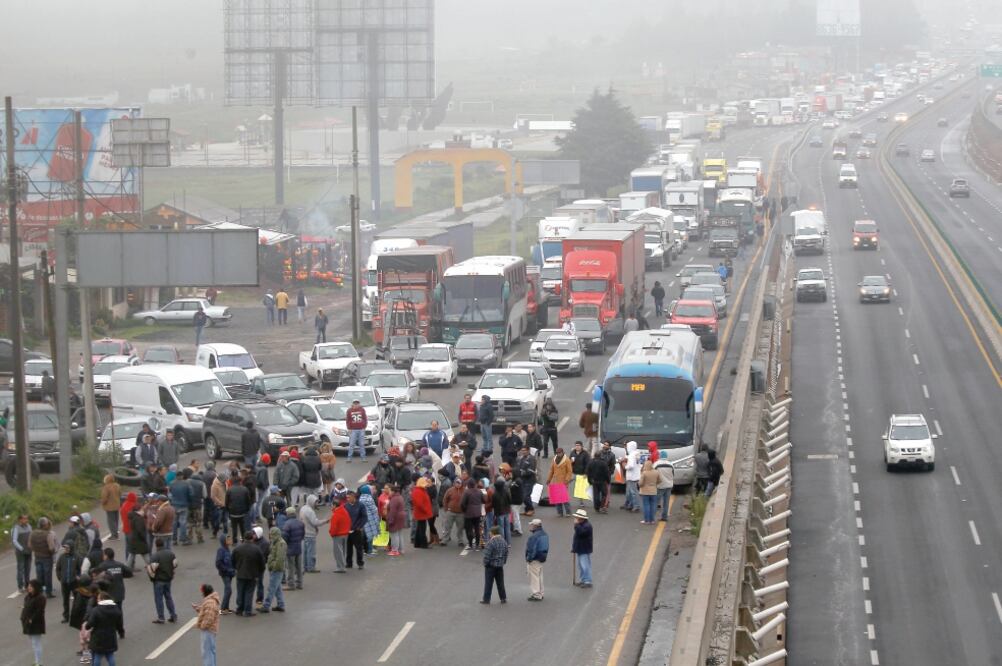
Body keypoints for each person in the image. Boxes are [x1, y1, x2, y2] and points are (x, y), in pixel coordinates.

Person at [86, 590, 124, 666]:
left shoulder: (96, 610)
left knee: (98, 655)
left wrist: (87, 627)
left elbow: (90, 623)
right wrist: (121, 631)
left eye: (98, 599)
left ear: (103, 599)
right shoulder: (116, 609)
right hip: (111, 635)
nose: (97, 600)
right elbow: (119, 624)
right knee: (110, 654)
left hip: (98, 637)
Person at [232, 532, 265, 617]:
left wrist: (237, 568)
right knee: (249, 592)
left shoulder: (237, 548)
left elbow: (232, 561)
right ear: (252, 538)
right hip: (252, 574)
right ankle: (247, 610)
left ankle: (239, 609)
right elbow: (262, 563)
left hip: (240, 573)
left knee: (240, 591)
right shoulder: (256, 549)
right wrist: (259, 573)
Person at [148, 538, 178, 624]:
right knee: (168, 597)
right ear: (163, 544)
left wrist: (151, 577)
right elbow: (175, 564)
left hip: (159, 580)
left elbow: (152, 569)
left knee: (159, 599)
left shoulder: (155, 556)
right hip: (168, 579)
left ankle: (161, 617)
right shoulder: (171, 554)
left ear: (156, 546)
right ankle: (173, 615)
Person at [28, 517, 58, 598]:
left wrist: (36, 550)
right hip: (47, 557)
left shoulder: (32, 533)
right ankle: (48, 592)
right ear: (45, 525)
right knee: (48, 575)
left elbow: (29, 545)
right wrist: (53, 553)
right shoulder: (48, 534)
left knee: (39, 575)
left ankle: (39, 592)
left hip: (37, 557)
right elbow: (51, 548)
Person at [193, 583, 220, 666]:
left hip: (208, 630)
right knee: (211, 651)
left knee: (207, 652)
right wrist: (198, 608)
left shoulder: (210, 602)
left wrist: (202, 626)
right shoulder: (211, 601)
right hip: (211, 630)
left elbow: (209, 618)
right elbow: (207, 611)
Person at [480, 526, 509, 604]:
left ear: (492, 533)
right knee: (500, 583)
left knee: (488, 583)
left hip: (491, 566)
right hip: (500, 566)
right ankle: (503, 598)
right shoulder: (504, 541)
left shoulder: (491, 542)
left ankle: (486, 599)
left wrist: (485, 563)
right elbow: (506, 553)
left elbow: (487, 556)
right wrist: (503, 562)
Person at [260, 527, 286, 613]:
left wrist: (273, 567)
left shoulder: (281, 544)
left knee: (271, 588)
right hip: (274, 568)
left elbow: (280, 558)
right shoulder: (275, 542)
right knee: (277, 588)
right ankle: (281, 605)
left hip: (276, 569)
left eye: (271, 535)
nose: (270, 536)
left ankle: (266, 606)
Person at [22, 579, 46, 666]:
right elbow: (26, 608)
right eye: (28, 586)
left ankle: (39, 662)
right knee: (34, 643)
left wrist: (31, 619)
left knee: (36, 643)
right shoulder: (28, 597)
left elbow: (39, 611)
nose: (28, 588)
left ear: (36, 587)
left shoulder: (40, 598)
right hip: (28, 623)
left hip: (36, 624)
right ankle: (37, 661)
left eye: (31, 586)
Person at [299, 494, 325, 573]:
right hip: (310, 534)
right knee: (311, 552)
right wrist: (324, 521)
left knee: (305, 552)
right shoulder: (310, 511)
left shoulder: (303, 508)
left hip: (303, 533)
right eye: (316, 502)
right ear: (311, 502)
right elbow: (315, 522)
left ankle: (305, 566)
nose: (317, 504)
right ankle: (311, 567)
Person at [525, 518, 549, 601]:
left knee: (534, 577)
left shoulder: (534, 536)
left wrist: (529, 559)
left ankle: (536, 594)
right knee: (539, 576)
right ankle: (541, 593)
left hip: (534, 559)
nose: (530, 526)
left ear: (535, 526)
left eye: (532, 525)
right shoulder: (544, 534)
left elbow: (531, 549)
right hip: (542, 557)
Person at [281, 506, 306, 588]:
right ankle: (300, 583)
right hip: (298, 547)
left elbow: (284, 537)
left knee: (290, 567)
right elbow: (303, 535)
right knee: (299, 566)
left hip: (290, 548)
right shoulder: (300, 523)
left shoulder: (287, 524)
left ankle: (291, 584)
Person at [55, 544, 80, 622]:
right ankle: (66, 616)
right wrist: (60, 577)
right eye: (65, 548)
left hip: (74, 582)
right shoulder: (62, 557)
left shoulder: (76, 557)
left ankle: (75, 616)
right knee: (65, 600)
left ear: (71, 548)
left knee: (77, 600)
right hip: (64, 582)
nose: (65, 549)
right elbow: (58, 568)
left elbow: (80, 568)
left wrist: (78, 576)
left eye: (67, 548)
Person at [546, 447, 573, 516]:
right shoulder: (554, 459)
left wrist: (567, 480)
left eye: (560, 453)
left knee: (564, 498)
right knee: (557, 498)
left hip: (563, 481)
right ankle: (560, 512)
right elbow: (551, 470)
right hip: (555, 481)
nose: (558, 454)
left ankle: (568, 512)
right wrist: (549, 479)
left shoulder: (567, 460)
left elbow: (569, 471)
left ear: (562, 452)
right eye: (557, 453)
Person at [169, 468, 193, 546]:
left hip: (174, 505)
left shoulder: (171, 483)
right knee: (183, 523)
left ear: (176, 476)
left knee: (174, 523)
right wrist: (189, 501)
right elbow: (191, 494)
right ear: (182, 476)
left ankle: (174, 539)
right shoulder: (186, 483)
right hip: (184, 505)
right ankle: (183, 539)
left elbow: (169, 494)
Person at [343, 491, 368, 567]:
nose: (347, 499)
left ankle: (360, 563)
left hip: (356, 530)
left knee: (358, 548)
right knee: (348, 548)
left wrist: (360, 527)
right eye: (347, 497)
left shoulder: (361, 505)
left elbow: (364, 517)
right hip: (347, 530)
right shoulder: (345, 506)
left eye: (349, 497)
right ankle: (349, 563)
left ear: (353, 497)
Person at [126, 496, 151, 570]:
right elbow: (140, 530)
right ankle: (153, 568)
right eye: (142, 509)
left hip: (133, 538)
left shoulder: (133, 516)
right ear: (139, 510)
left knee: (131, 555)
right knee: (145, 554)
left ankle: (127, 569)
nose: (143, 510)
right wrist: (144, 537)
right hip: (139, 540)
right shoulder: (139, 519)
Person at [440, 478, 466, 547]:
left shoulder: (465, 491)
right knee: (447, 527)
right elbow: (445, 499)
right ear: (454, 483)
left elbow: (467, 500)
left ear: (462, 484)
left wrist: (465, 510)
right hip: (450, 512)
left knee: (460, 528)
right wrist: (446, 509)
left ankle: (460, 541)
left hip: (461, 513)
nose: (458, 484)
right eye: (456, 483)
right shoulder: (450, 490)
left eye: (459, 483)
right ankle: (445, 540)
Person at [460, 479, 484, 551]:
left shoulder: (467, 492)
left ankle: (470, 544)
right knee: (477, 529)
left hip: (469, 513)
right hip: (477, 513)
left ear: (468, 485)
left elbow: (462, 503)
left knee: (469, 529)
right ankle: (477, 544)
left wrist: (464, 510)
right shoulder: (479, 491)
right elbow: (484, 500)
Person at [571, 509, 594, 588]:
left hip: (584, 549)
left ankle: (587, 581)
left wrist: (576, 525)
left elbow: (581, 533)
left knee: (585, 565)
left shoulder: (587, 526)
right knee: (581, 565)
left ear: (581, 518)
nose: (576, 519)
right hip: (581, 548)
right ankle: (583, 579)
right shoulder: (582, 525)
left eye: (577, 517)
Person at [329, 497, 351, 571]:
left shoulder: (336, 514)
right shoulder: (344, 511)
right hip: (345, 534)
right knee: (343, 551)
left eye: (332, 505)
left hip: (338, 535)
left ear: (335, 505)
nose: (331, 506)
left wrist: (332, 534)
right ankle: (342, 565)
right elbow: (349, 521)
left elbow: (334, 527)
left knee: (338, 552)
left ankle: (341, 567)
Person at [215, 533, 235, 615]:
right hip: (225, 573)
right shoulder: (221, 550)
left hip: (230, 573)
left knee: (228, 590)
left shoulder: (227, 549)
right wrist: (226, 569)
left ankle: (226, 608)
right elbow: (218, 563)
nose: (230, 540)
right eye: (228, 539)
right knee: (228, 590)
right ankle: (223, 608)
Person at [385, 485, 407, 557]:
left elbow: (392, 511)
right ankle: (401, 549)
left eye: (389, 490)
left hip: (396, 517)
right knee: (400, 534)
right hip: (401, 517)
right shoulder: (399, 497)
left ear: (393, 491)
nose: (388, 492)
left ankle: (395, 550)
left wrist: (390, 520)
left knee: (394, 534)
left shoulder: (394, 499)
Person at [12, 514, 32, 593]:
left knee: (28, 568)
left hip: (29, 551)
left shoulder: (29, 526)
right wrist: (21, 548)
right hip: (20, 552)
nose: (26, 520)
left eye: (27, 519)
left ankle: (27, 585)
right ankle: (20, 586)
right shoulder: (16, 528)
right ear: (20, 520)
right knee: (21, 569)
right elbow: (14, 540)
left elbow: (31, 536)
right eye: (24, 519)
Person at [515, 447, 537, 516]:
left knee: (526, 496)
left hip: (529, 480)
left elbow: (531, 471)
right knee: (523, 496)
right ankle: (527, 510)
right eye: (522, 450)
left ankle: (531, 509)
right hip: (522, 480)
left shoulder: (532, 459)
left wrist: (522, 473)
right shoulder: (521, 458)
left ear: (528, 451)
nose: (523, 452)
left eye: (524, 450)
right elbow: (518, 467)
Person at [411, 479, 434, 549]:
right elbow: (419, 504)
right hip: (421, 513)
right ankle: (423, 544)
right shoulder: (419, 491)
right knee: (422, 529)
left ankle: (417, 543)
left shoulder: (419, 490)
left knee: (419, 528)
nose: (426, 486)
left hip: (421, 512)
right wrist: (426, 510)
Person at [620, 441, 641, 512]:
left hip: (631, 476)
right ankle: (631, 505)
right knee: (633, 492)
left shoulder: (632, 455)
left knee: (633, 492)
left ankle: (636, 506)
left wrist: (625, 466)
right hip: (636, 475)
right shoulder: (636, 453)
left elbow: (631, 466)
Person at [653, 455, 675, 521]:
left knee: (655, 501)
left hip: (660, 485)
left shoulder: (656, 464)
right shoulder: (671, 464)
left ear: (660, 456)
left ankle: (652, 517)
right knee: (666, 502)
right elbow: (673, 474)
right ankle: (664, 517)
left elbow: (653, 474)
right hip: (669, 485)